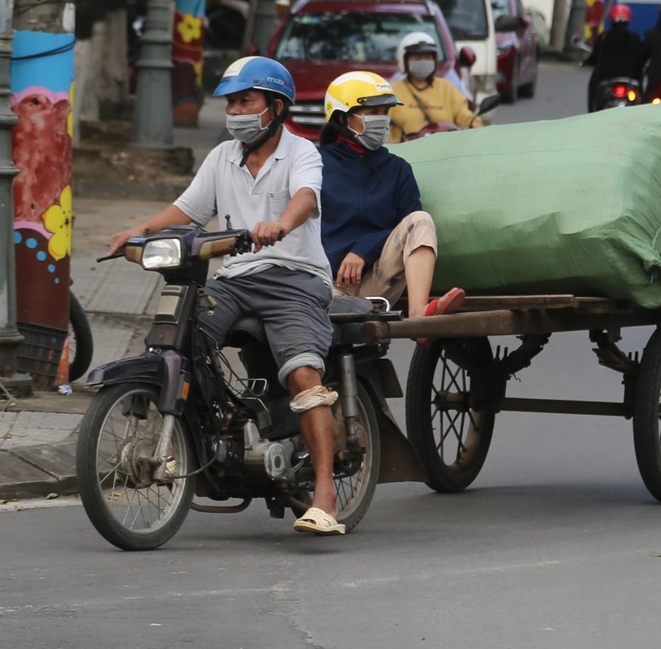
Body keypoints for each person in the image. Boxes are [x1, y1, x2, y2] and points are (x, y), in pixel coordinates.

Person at [107, 56, 346, 537]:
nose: (235, 110)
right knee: (177, 338)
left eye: (246, 101)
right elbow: (187, 209)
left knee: (303, 372)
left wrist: (280, 224)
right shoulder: (221, 157)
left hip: (295, 280)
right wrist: (138, 231)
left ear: (276, 107)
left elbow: (306, 198)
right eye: (231, 102)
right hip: (235, 280)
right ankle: (199, 437)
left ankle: (325, 495)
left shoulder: (302, 153)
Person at [318, 70, 465, 335]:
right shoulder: (314, 164)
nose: (382, 121)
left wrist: (364, 249)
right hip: (324, 284)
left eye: (385, 112)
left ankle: (420, 319)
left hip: (377, 283)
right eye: (372, 113)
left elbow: (406, 231)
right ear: (342, 118)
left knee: (421, 220)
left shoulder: (397, 169)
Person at [388, 31, 483, 142]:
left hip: (443, 151)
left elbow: (464, 116)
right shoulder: (393, 91)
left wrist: (475, 124)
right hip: (406, 152)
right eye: (417, 57)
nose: (423, 61)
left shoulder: (446, 88)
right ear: (404, 60)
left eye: (428, 57)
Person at [585, 3, 646, 112]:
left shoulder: (604, 37)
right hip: (631, 79)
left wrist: (586, 62)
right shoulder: (635, 38)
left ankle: (591, 113)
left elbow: (595, 57)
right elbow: (641, 58)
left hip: (606, 78)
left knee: (593, 90)